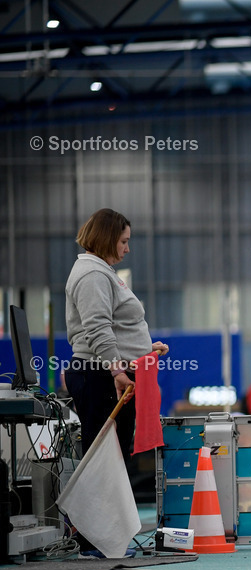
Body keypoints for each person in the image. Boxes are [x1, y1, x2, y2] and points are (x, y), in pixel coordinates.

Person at [64, 208, 169, 550]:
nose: (127, 248)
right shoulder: (93, 275)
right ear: (108, 238)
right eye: (123, 241)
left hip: (106, 372)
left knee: (115, 458)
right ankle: (95, 541)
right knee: (106, 460)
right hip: (101, 377)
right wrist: (119, 371)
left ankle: (105, 538)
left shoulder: (102, 272)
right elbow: (96, 328)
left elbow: (111, 328)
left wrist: (140, 348)